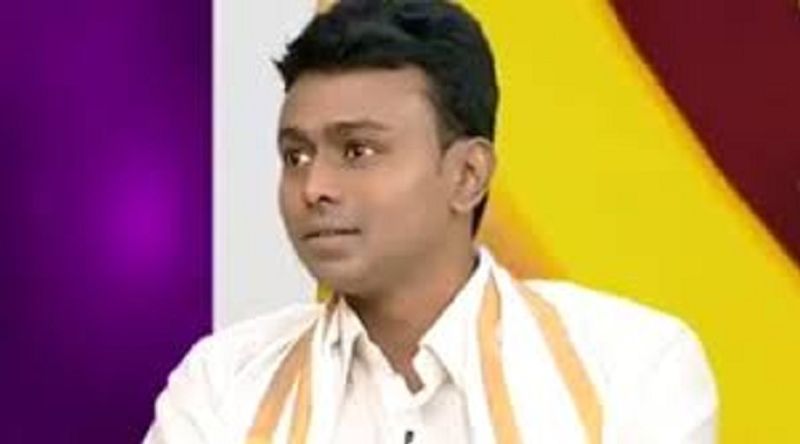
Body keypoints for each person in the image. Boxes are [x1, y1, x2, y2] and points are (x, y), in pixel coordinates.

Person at [144, 1, 717, 442]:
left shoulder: (630, 367)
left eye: (357, 150)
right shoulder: (227, 382)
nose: (313, 186)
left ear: (468, 175)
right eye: (296, 155)